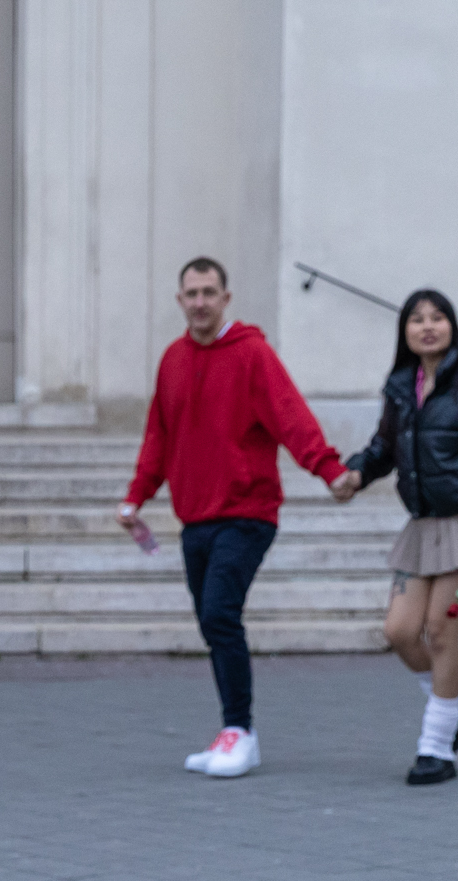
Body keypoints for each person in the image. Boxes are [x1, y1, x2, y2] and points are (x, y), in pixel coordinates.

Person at [117, 258, 348, 779]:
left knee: (220, 612)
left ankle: (240, 731)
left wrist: (327, 468)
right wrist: (136, 497)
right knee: (211, 621)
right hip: (195, 517)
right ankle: (235, 734)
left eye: (208, 292)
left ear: (226, 298)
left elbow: (290, 415)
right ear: (180, 301)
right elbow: (159, 436)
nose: (199, 302)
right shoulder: (173, 359)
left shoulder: (252, 354)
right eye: (190, 293)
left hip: (247, 512)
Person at [331, 291, 458, 786]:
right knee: (400, 631)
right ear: (404, 331)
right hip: (423, 526)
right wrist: (355, 473)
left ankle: (436, 748)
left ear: (452, 325)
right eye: (417, 319)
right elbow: (385, 446)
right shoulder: (402, 385)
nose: (427, 327)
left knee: (442, 632)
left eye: (437, 317)